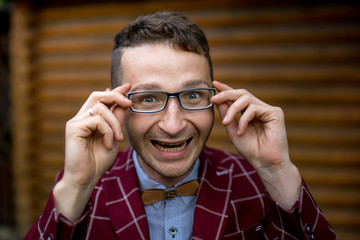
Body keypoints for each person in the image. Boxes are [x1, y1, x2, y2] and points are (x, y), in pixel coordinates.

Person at [25, 11, 336, 240]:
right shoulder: (81, 185)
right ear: (114, 106)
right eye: (148, 98)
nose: (173, 126)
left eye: (192, 94)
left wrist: (276, 170)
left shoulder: (256, 181)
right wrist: (77, 187)